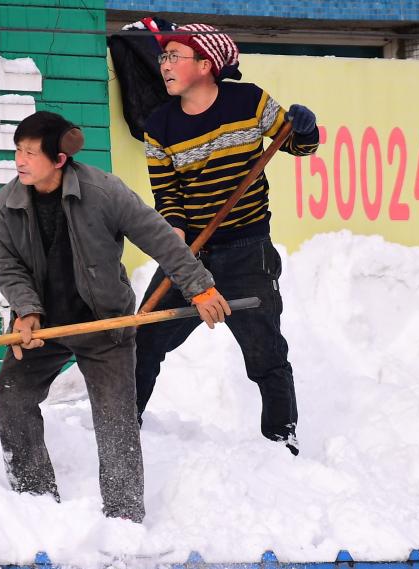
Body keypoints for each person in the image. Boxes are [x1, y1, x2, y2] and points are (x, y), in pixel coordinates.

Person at [0, 111, 227, 522]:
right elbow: (7, 266)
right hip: (44, 325)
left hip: (105, 322)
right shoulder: (5, 206)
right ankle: (36, 503)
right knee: (11, 396)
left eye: (30, 153)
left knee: (116, 418)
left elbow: (158, 237)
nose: (20, 161)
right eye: (18, 151)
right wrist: (26, 311)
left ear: (59, 159)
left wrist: (199, 287)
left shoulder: (103, 192)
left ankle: (124, 518)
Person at [137, 21, 319, 454]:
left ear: (205, 64)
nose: (164, 65)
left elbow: (298, 145)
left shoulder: (249, 102)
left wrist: (305, 128)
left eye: (174, 56)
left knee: (265, 351)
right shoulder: (159, 125)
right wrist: (176, 248)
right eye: (163, 57)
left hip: (247, 251)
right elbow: (169, 199)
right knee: (143, 339)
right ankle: (122, 426)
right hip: (190, 254)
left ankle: (282, 439)